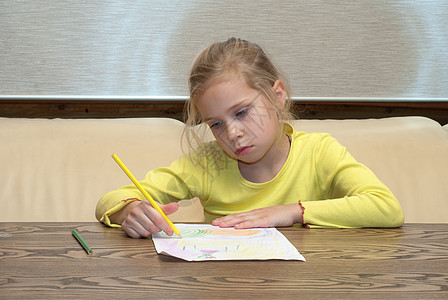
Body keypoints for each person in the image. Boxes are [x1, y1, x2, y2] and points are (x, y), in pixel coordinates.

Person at [96, 37, 404, 238]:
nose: (232, 134)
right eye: (215, 124)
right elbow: (108, 200)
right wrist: (129, 210)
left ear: (277, 95)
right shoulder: (207, 164)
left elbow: (386, 207)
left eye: (242, 112)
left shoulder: (319, 153)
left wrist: (290, 212)